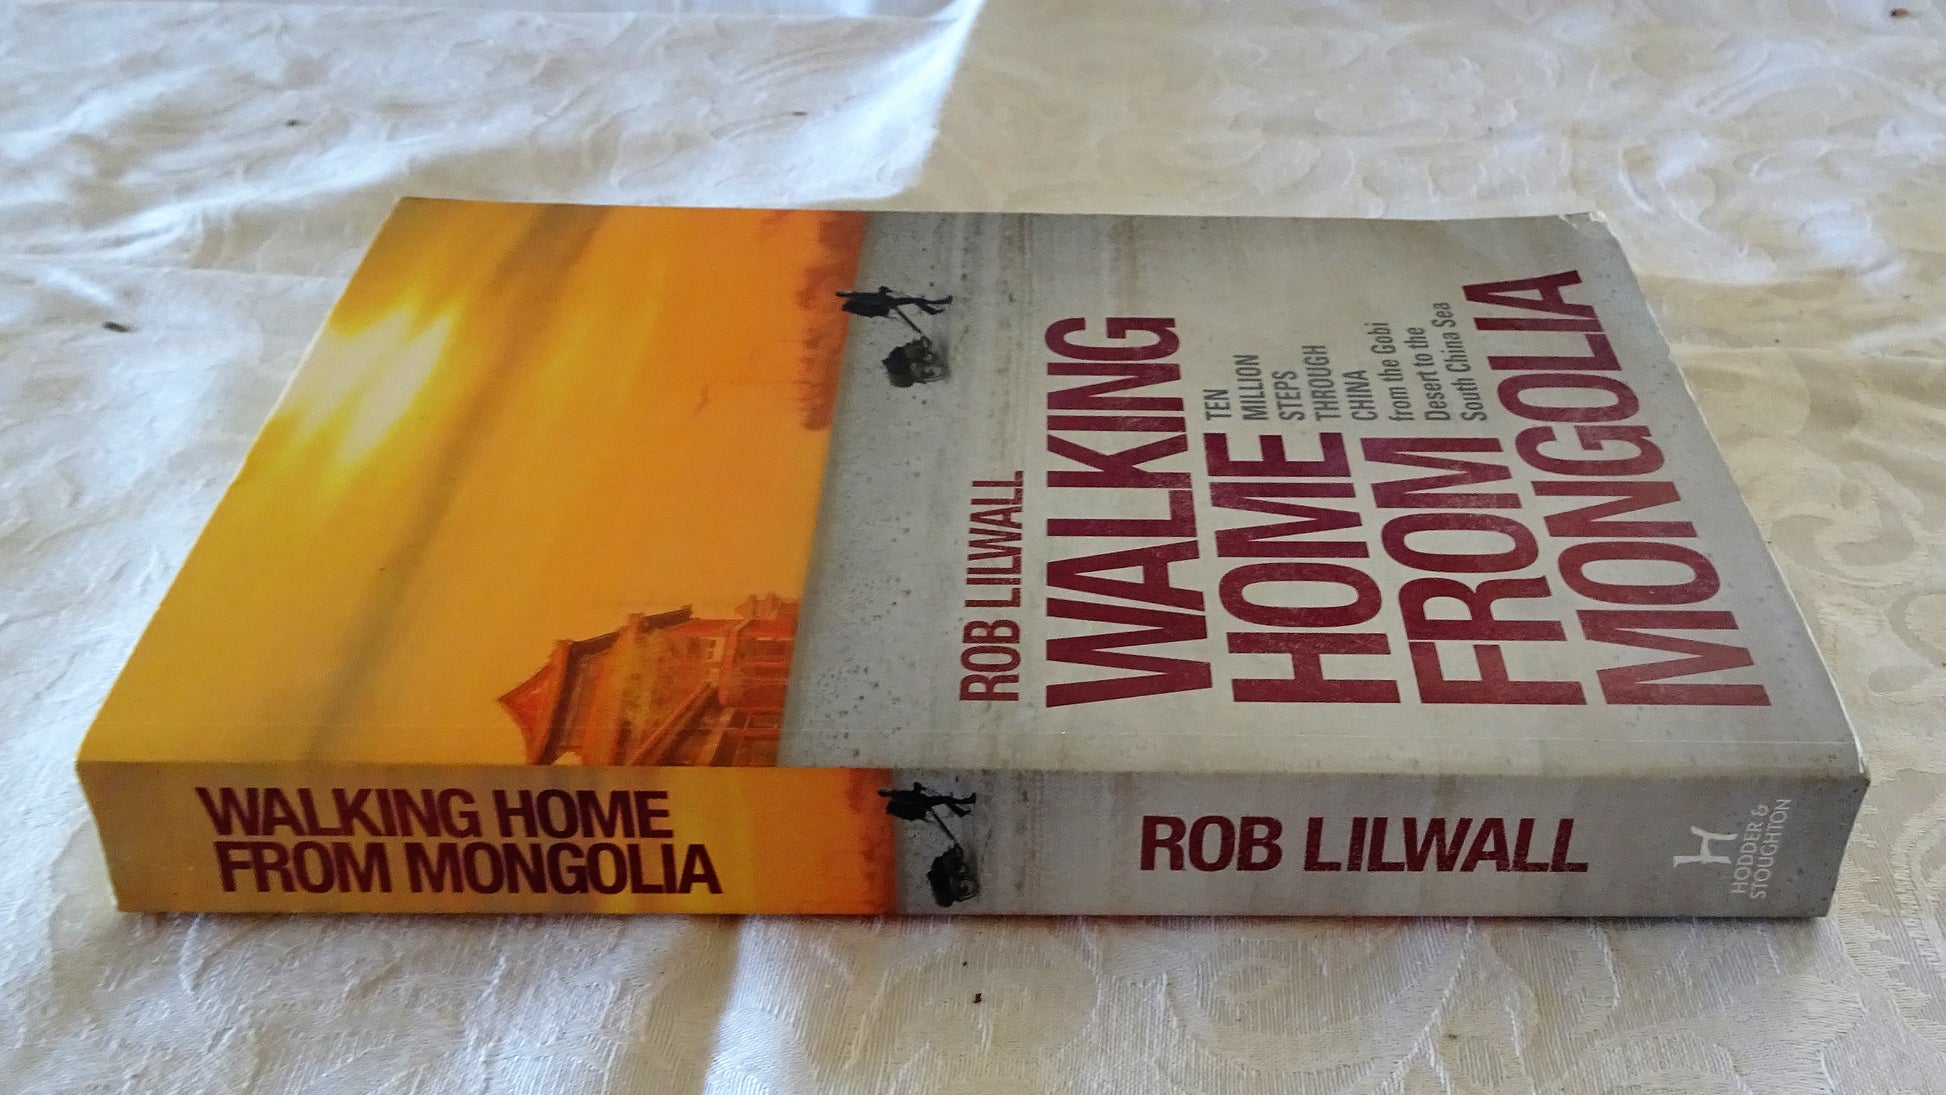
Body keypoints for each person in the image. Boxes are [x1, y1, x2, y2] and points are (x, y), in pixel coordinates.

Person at [835, 286, 952, 319]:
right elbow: (875, 300)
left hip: (888, 303)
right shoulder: (857, 298)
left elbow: (873, 304)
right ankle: (936, 305)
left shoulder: (857, 304)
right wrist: (882, 291)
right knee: (914, 300)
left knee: (914, 300)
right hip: (889, 301)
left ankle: (932, 309)